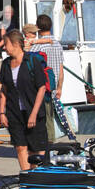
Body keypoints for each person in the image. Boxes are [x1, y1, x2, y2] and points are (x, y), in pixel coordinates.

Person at [0, 27, 48, 172]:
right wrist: (2, 112)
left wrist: (33, 113)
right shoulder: (6, 64)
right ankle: (25, 176)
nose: (5, 49)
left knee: (34, 149)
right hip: (14, 112)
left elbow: (41, 88)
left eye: (6, 45)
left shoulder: (32, 61)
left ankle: (34, 176)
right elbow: (4, 90)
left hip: (33, 111)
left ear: (15, 44)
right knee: (20, 146)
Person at [29, 13, 64, 143]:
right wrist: (59, 88)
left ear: (37, 28)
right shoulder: (57, 44)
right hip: (53, 85)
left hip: (40, 86)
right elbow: (60, 70)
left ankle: (41, 145)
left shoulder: (36, 46)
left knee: (39, 117)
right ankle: (50, 143)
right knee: (50, 117)